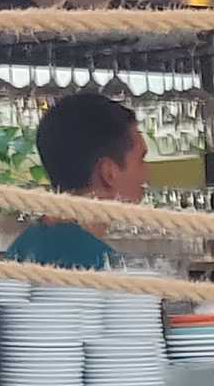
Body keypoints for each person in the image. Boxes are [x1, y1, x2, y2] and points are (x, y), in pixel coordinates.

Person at [12, 84, 144, 268]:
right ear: (109, 173)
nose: (147, 174)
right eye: (141, 160)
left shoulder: (26, 244)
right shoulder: (101, 266)